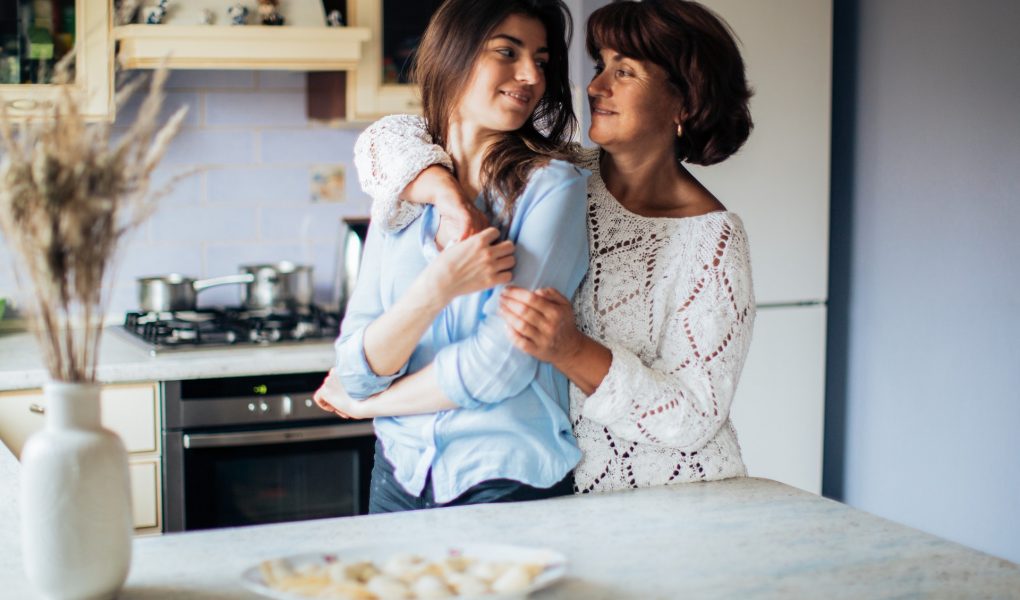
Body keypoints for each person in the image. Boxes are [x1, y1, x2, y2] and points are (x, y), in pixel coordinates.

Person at [341, 0, 757, 493]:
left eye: (624, 72)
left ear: (683, 104)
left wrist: (572, 351)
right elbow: (390, 139)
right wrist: (447, 195)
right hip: (561, 491)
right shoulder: (564, 175)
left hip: (668, 497)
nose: (597, 86)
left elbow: (694, 417)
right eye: (600, 66)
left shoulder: (711, 241)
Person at [315, 0, 591, 512]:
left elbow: (499, 368)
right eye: (507, 52)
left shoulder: (552, 188)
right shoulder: (401, 186)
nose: (530, 75)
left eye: (541, 59)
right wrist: (437, 287)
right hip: (399, 472)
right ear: (454, 54)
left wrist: (369, 405)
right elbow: (352, 363)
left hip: (504, 477)